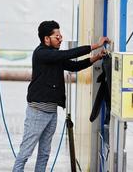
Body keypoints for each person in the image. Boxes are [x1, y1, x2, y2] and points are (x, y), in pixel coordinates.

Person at [12, 20, 109, 172]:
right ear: (46, 39)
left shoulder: (54, 56)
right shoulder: (42, 53)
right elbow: (69, 54)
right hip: (37, 111)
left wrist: (96, 57)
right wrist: (95, 45)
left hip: (51, 112)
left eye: (60, 35)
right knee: (26, 151)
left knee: (44, 153)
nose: (61, 38)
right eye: (57, 36)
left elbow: (74, 66)